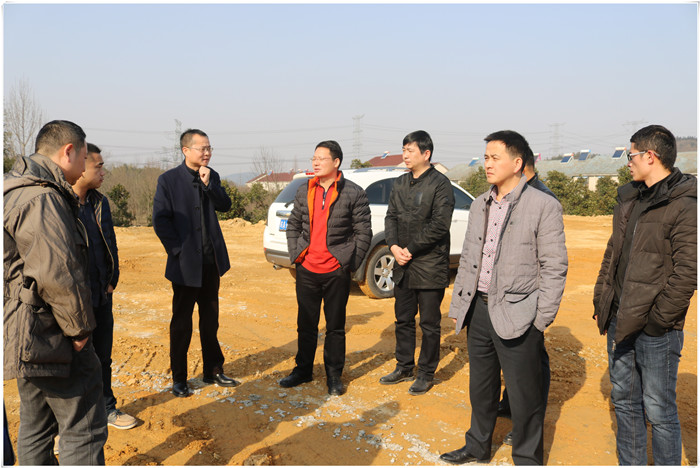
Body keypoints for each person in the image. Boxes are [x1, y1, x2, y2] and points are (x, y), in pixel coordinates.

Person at [440, 130, 567, 465]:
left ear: (517, 162)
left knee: (524, 395)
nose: (487, 164)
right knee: (481, 388)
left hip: (519, 313)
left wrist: (541, 319)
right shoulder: (480, 204)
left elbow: (554, 267)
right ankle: (476, 447)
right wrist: (460, 304)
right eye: (485, 157)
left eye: (495, 158)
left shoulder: (543, 205)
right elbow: (469, 258)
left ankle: (526, 458)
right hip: (478, 311)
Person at [4, 120, 108, 464]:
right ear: (68, 151)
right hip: (51, 335)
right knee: (84, 428)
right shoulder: (43, 198)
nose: (85, 165)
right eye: (84, 156)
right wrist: (78, 331)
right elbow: (57, 274)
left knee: (36, 427)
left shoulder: (13, 188)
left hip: (24, 334)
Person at [593, 125, 696, 465]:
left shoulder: (684, 204)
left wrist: (657, 321)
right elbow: (613, 254)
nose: (628, 162)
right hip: (619, 319)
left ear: (650, 156)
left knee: (659, 411)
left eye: (631, 154)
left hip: (656, 331)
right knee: (624, 403)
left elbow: (688, 272)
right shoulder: (630, 199)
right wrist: (602, 298)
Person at [153, 128, 239, 397]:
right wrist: (178, 251)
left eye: (209, 148)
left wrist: (209, 184)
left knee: (210, 321)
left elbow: (225, 205)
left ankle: (213, 370)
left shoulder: (211, 176)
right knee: (181, 324)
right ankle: (179, 378)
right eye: (202, 148)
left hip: (210, 262)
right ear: (186, 150)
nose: (207, 153)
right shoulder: (168, 180)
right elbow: (160, 220)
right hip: (184, 266)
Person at [282, 140, 372, 396]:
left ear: (336, 162)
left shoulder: (353, 192)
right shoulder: (304, 189)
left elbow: (364, 232)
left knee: (335, 327)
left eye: (321, 158)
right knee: (306, 324)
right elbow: (294, 225)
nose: (316, 162)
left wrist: (349, 264)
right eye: (314, 158)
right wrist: (296, 255)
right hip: (307, 269)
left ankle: (334, 376)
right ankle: (303, 370)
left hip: (335, 271)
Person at [380, 130, 455, 396]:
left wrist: (409, 249)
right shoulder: (400, 182)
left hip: (429, 265)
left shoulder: (440, 184)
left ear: (426, 154)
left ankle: (425, 373)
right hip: (403, 264)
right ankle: (404, 366)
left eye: (410, 150)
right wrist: (393, 247)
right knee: (403, 319)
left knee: (430, 324)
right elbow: (391, 217)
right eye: (404, 150)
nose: (405, 155)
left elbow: (439, 225)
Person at [71, 143, 137, 430]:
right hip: (74, 300)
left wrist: (112, 281)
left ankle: (106, 408)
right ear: (80, 165)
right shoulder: (59, 204)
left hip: (101, 295)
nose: (103, 172)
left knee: (103, 358)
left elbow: (110, 243)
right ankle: (69, 424)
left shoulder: (100, 202)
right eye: (98, 166)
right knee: (72, 362)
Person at [496, 144, 558, 445]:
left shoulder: (542, 198)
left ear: (519, 164)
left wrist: (542, 311)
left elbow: (550, 261)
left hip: (528, 298)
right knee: (515, 359)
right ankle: (510, 404)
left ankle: (528, 422)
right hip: (508, 296)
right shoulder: (510, 195)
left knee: (532, 363)